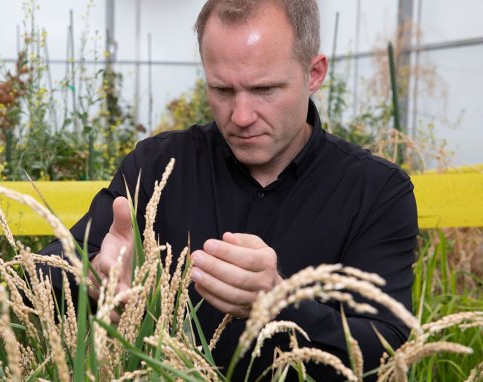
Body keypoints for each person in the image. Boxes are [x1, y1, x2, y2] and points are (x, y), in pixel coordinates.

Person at [40, 0, 418, 380]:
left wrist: (280, 302)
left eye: (265, 89)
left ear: (314, 73)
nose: (240, 116)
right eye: (221, 89)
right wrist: (95, 279)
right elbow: (39, 276)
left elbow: (386, 343)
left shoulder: (377, 191)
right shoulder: (157, 166)